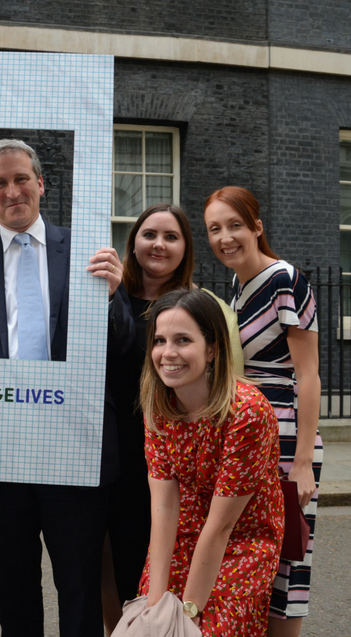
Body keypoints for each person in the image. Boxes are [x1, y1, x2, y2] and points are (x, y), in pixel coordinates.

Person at [0, 139, 135, 637]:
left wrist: (113, 297)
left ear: (41, 184)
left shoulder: (90, 253)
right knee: (14, 587)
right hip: (1, 455)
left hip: (75, 445)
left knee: (80, 587)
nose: (12, 190)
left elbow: (126, 344)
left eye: (21, 178)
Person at [103, 204, 244, 631]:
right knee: (112, 560)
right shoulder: (107, 292)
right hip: (115, 444)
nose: (159, 245)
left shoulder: (203, 307)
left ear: (186, 248)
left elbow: (226, 386)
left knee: (165, 556)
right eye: (149, 234)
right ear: (133, 243)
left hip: (175, 449)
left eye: (171, 236)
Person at [203, 186, 322, 637]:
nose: (225, 237)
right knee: (249, 557)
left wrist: (305, 463)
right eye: (215, 229)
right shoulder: (237, 282)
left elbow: (307, 374)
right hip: (247, 432)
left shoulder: (286, 279)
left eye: (235, 225)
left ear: (257, 227)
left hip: (288, 437)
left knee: (286, 566)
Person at [138, 288, 284, 636]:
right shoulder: (159, 406)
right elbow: (163, 507)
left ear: (213, 349)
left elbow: (221, 527)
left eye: (183, 340)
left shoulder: (247, 412)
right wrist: (156, 606)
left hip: (242, 537)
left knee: (208, 629)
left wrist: (187, 614)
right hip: (184, 531)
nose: (168, 353)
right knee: (151, 621)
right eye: (160, 340)